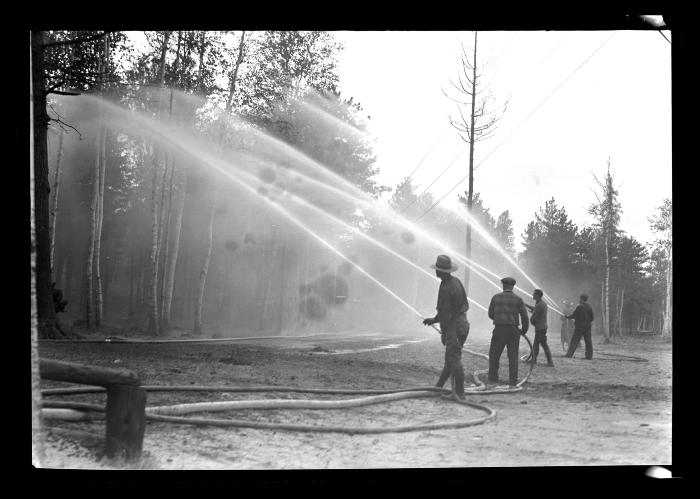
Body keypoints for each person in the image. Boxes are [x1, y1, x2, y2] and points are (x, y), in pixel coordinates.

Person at [422, 255, 470, 399]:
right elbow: (447, 310)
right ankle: (438, 387)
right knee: (450, 359)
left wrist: (445, 332)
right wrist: (434, 320)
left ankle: (460, 393)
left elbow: (446, 313)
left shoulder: (446, 287)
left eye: (438, 269)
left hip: (454, 326)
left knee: (454, 359)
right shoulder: (456, 281)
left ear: (443, 271)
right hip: (462, 323)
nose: (436, 271)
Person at [487, 277, 529, 388]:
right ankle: (512, 381)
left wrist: (499, 318)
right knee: (513, 357)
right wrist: (523, 330)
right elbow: (525, 317)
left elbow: (490, 314)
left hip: (499, 329)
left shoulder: (495, 298)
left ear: (503, 285)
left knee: (494, 355)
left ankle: (492, 379)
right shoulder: (518, 299)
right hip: (513, 330)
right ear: (513, 286)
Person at [525, 289, 553, 366]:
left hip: (540, 328)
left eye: (534, 294)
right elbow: (535, 309)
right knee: (536, 344)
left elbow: (533, 318)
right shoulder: (541, 303)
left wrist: (533, 322)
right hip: (542, 327)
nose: (533, 295)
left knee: (543, 344)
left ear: (537, 295)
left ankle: (550, 362)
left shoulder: (540, 305)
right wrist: (526, 305)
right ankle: (534, 360)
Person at [564, 294, 595, 359]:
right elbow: (592, 318)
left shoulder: (579, 307)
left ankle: (569, 354)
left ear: (582, 299)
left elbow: (574, 315)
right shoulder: (589, 307)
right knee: (588, 341)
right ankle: (589, 356)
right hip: (587, 327)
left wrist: (567, 317)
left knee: (574, 340)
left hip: (580, 327)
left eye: (580, 299)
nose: (579, 300)